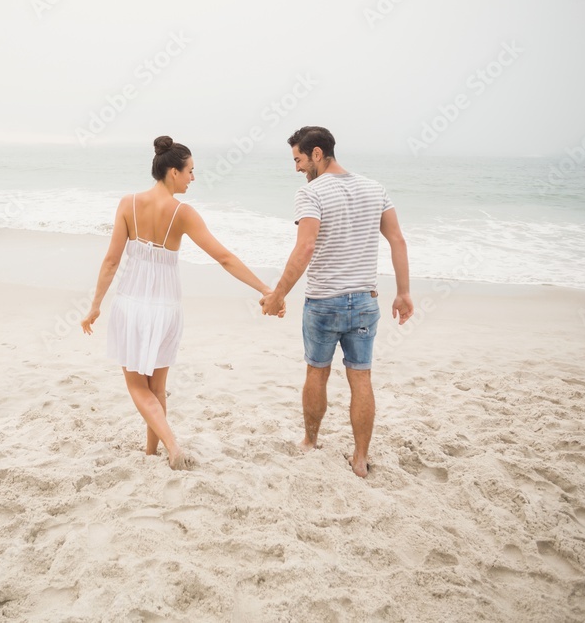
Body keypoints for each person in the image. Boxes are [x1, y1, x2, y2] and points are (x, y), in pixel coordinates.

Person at [81, 136, 279, 470]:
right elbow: (224, 258)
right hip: (166, 308)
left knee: (136, 386)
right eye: (190, 171)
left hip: (131, 305)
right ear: (173, 172)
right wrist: (265, 289)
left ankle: (170, 447)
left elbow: (111, 261)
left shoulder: (128, 204)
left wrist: (96, 305)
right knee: (156, 388)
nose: (193, 178)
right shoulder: (183, 213)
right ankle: (150, 453)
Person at [260, 126, 413, 478]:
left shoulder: (311, 193)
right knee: (361, 378)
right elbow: (398, 241)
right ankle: (360, 459)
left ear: (316, 154)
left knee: (317, 371)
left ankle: (311, 442)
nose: (297, 168)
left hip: (324, 303)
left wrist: (278, 295)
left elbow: (306, 247)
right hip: (364, 301)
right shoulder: (375, 189)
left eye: (298, 159)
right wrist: (404, 293)